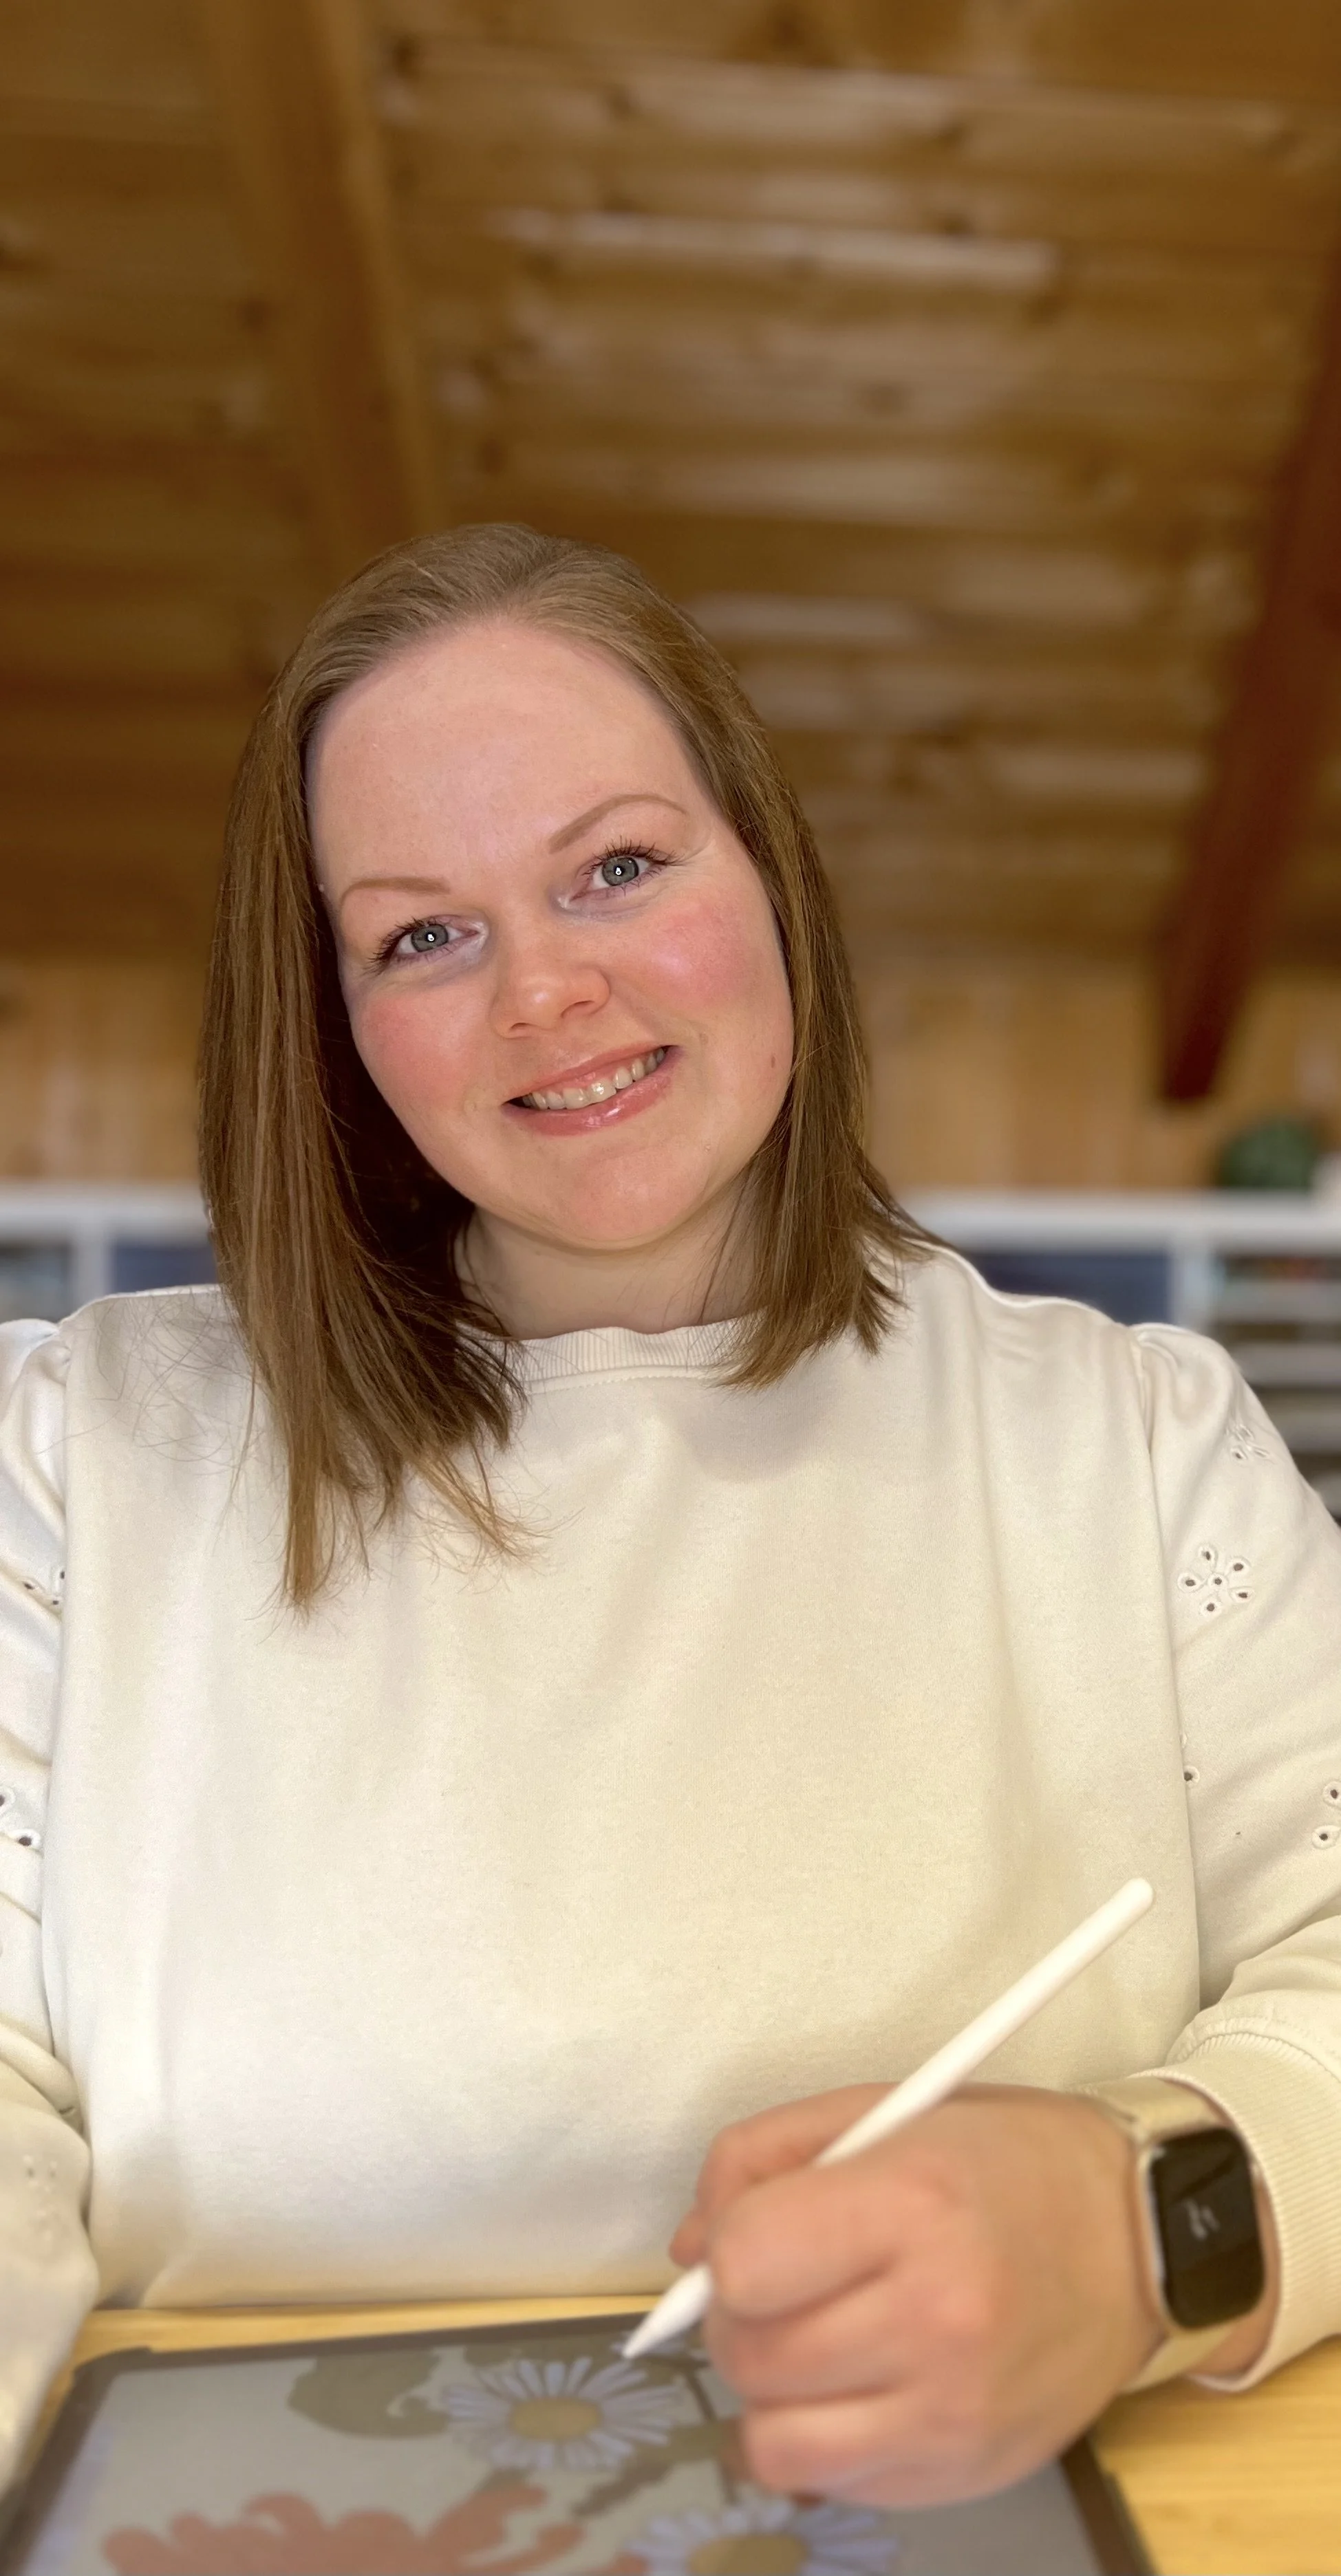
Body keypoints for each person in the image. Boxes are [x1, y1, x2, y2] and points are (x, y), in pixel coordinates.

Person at [2, 524, 1339, 2511]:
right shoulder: (74, 1454)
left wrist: (1150, 2224)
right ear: (334, 1028)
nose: (549, 991)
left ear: (768, 877)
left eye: (618, 866)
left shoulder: (1134, 1442)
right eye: (419, 934)